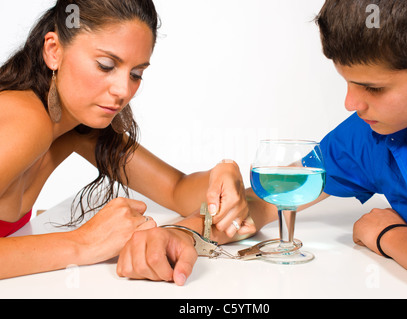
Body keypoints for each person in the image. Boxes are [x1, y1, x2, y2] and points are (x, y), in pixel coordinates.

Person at [128, 0, 407, 295]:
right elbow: (268, 201)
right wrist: (183, 233)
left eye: (373, 87)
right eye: (347, 82)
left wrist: (388, 234)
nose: (350, 103)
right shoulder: (369, 134)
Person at [0, 0, 253, 285]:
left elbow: (177, 190)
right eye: (106, 65)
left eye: (136, 74)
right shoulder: (26, 120)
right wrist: (83, 243)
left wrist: (222, 175)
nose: (123, 91)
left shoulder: (78, 127)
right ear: (54, 51)